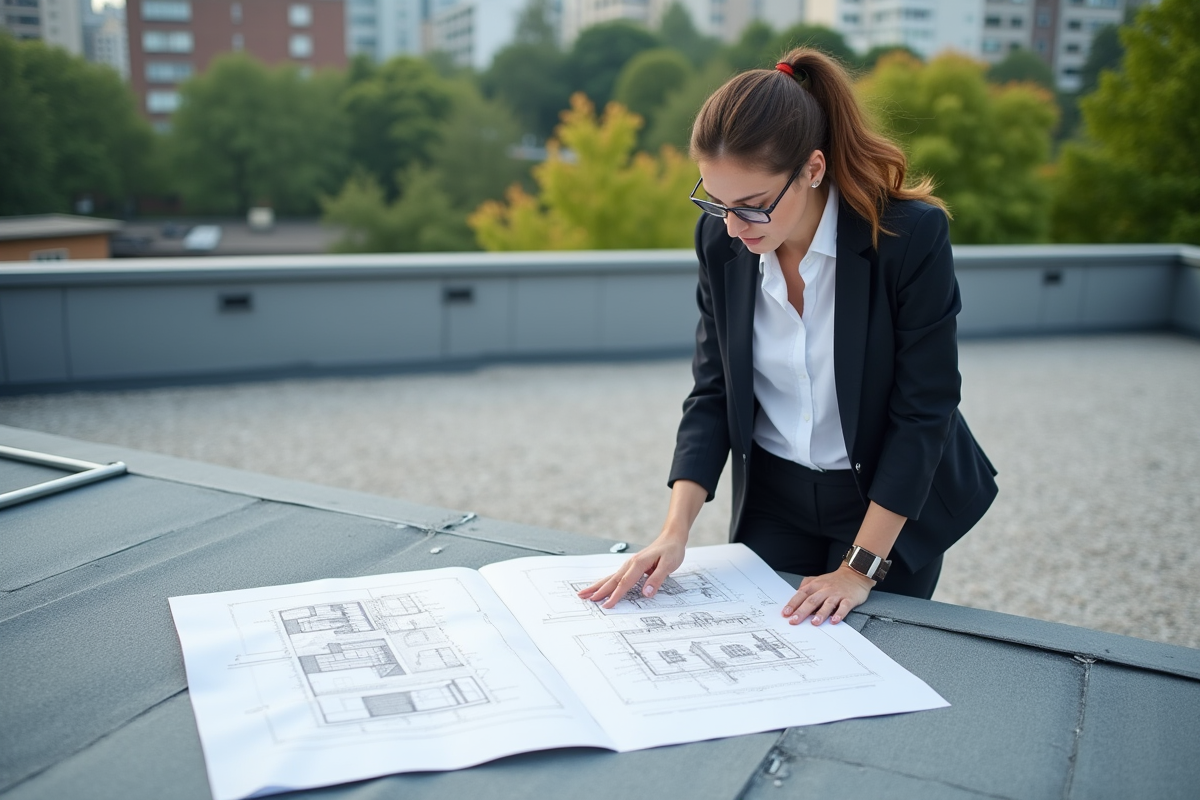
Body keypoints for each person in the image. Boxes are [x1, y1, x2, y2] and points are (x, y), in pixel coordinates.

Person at [579, 48, 997, 627]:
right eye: (715, 201)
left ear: (813, 169)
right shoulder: (721, 240)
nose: (730, 226)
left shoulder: (907, 237)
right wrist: (673, 534)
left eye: (751, 207)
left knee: (865, 663)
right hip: (775, 497)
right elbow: (714, 391)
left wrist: (858, 569)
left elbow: (925, 410)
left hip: (886, 504)